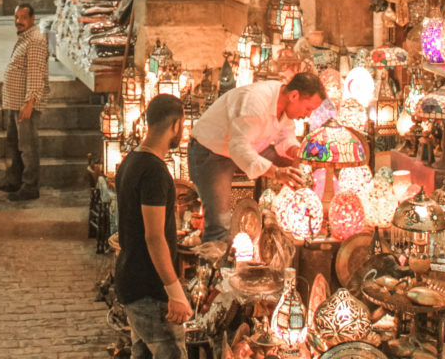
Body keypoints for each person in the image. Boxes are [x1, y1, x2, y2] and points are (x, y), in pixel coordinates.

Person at [188, 72, 329, 244]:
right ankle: (210, 267)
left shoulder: (284, 104)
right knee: (219, 222)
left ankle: (279, 215)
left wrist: (296, 152)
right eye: (308, 108)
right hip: (211, 150)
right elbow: (239, 148)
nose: (308, 115)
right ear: (294, 96)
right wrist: (276, 173)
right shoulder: (256, 104)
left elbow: (285, 134)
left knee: (293, 168)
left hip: (248, 146)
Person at [116, 93, 191, 359]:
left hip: (132, 280)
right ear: (176, 126)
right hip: (149, 288)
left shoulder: (131, 161)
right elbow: (154, 237)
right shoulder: (154, 172)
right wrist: (174, 291)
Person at [0, 3, 48, 202]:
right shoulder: (25, 38)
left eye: (23, 17)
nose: (18, 21)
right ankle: (15, 180)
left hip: (25, 105)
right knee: (15, 143)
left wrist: (30, 103)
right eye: (16, 17)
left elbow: (35, 73)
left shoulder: (35, 40)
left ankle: (30, 186)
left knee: (28, 146)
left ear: (32, 19)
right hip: (15, 102)